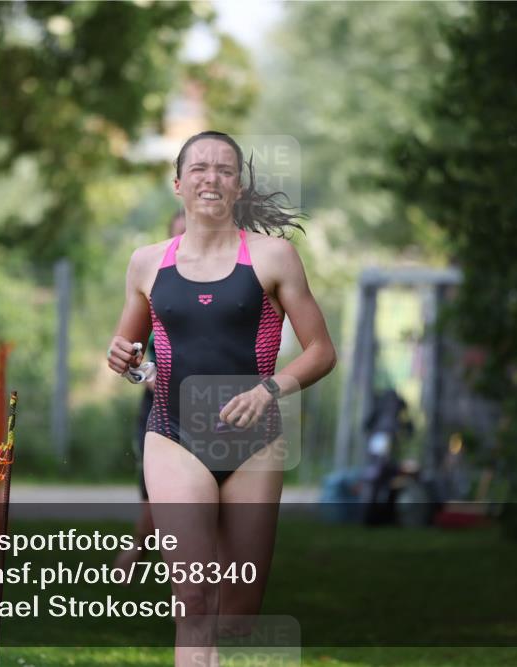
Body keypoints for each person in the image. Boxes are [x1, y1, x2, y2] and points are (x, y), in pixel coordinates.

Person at [106, 131, 336, 666]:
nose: (212, 177)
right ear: (178, 183)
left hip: (254, 446)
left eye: (225, 169)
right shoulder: (146, 263)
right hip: (172, 438)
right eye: (200, 168)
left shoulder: (274, 257)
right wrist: (123, 359)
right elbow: (131, 352)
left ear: (239, 185)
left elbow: (322, 351)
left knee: (238, 614)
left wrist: (270, 389)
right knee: (193, 599)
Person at [114, 209, 186, 574]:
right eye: (178, 235)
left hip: (212, 412)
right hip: (159, 409)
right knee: (156, 493)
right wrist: (145, 373)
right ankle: (140, 549)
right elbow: (130, 356)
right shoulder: (154, 286)